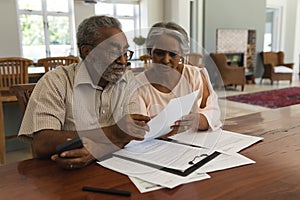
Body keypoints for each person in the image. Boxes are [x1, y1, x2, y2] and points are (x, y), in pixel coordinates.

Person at [18, 15, 150, 169]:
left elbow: (131, 133)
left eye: (125, 53)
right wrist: (112, 133)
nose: (122, 61)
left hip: (115, 167)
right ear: (87, 51)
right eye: (113, 52)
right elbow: (42, 143)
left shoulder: (127, 80)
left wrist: (97, 150)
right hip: (65, 175)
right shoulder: (56, 81)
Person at [136, 22, 222, 135]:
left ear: (182, 54)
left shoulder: (194, 75)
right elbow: (140, 129)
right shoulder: (137, 85)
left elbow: (213, 111)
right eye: (159, 53)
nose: (166, 60)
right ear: (150, 52)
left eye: (173, 54)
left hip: (195, 142)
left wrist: (199, 120)